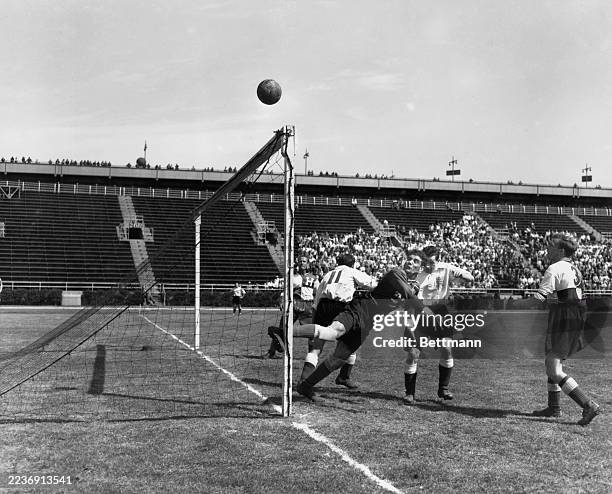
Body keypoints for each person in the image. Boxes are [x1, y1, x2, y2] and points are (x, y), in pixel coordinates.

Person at [271, 250, 432, 401]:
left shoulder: (410, 284)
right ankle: (284, 331)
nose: (410, 262)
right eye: (409, 259)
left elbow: (406, 304)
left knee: (338, 359)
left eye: (415, 261)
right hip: (360, 309)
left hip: (368, 322)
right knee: (333, 332)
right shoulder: (396, 272)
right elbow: (411, 298)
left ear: (420, 267)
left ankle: (306, 386)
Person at [531, 233, 600, 426]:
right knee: (551, 360)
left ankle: (587, 404)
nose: (547, 250)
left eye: (551, 246)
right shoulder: (574, 268)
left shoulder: (554, 268)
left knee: (553, 368)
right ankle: (553, 407)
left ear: (560, 250)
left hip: (564, 319)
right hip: (575, 317)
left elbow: (541, 298)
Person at [402, 245, 474, 404]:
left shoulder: (446, 268)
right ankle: (409, 393)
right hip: (421, 313)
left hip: (442, 313)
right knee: (414, 353)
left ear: (438, 260)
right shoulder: (417, 274)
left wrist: (461, 274)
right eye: (426, 262)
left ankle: (443, 389)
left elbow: (470, 277)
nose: (428, 266)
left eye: (432, 263)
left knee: (447, 350)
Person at [298, 253, 377, 388]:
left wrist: (315, 317)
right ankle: (343, 376)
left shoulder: (328, 275)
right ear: (353, 264)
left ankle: (303, 379)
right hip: (340, 307)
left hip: (322, 306)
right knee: (350, 344)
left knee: (316, 348)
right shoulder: (351, 271)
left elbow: (317, 299)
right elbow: (373, 284)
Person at [266, 264, 318, 359]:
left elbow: (316, 292)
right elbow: (286, 289)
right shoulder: (293, 277)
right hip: (294, 304)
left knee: (311, 332)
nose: (302, 263)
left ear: (308, 264)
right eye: (300, 261)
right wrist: (282, 299)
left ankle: (311, 355)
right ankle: (271, 352)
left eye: (304, 261)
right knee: (282, 328)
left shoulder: (313, 278)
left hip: (307, 306)